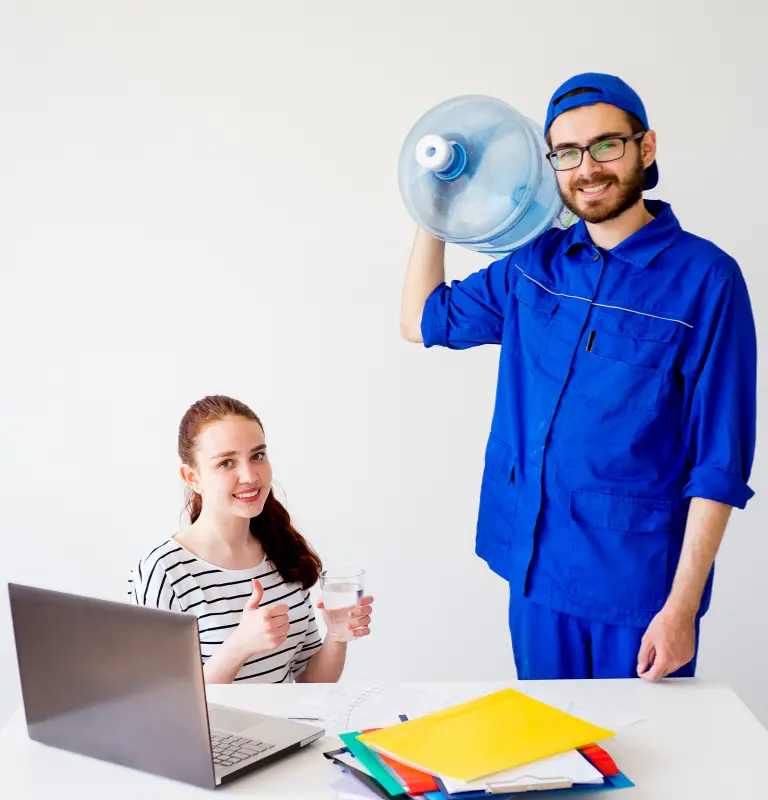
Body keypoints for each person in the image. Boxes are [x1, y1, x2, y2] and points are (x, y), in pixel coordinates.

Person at [400, 73, 756, 682]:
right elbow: (420, 319)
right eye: (566, 152)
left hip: (636, 593)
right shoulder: (534, 267)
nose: (586, 168)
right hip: (534, 571)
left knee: (647, 771)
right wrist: (433, 207)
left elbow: (719, 465)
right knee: (550, 766)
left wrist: (681, 609)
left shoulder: (706, 280)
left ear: (646, 148)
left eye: (605, 146)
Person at [128, 394, 374, 683]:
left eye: (257, 456)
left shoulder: (281, 550)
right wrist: (239, 647)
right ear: (193, 478)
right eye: (226, 463)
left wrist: (336, 635)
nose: (249, 475)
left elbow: (309, 683)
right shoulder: (163, 572)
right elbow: (160, 706)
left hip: (290, 728)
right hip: (215, 731)